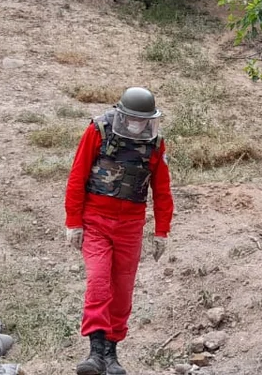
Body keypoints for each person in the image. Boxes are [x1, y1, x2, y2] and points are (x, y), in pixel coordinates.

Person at [64, 87, 174, 375]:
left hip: (131, 225)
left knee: (122, 290)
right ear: (122, 114)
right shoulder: (98, 131)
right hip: (95, 221)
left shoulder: (155, 143)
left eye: (143, 120)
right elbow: (77, 175)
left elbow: (162, 189)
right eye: (133, 119)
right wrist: (73, 223)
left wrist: (161, 231)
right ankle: (95, 352)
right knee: (99, 281)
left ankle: (111, 354)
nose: (138, 125)